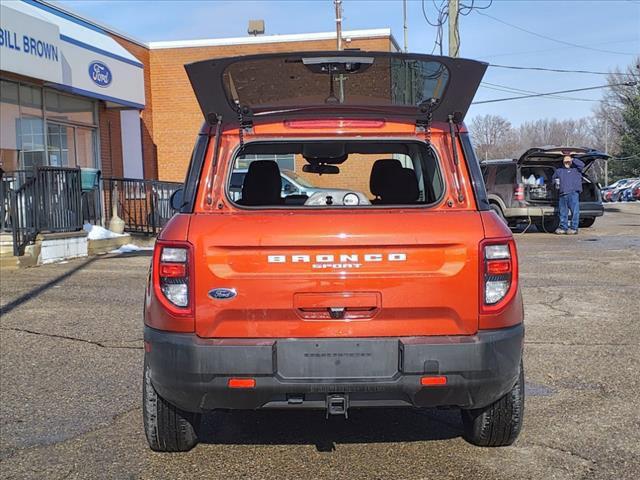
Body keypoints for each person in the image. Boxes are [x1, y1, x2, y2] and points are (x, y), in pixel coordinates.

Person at [552, 155, 585, 234]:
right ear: (563, 162)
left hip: (573, 193)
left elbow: (582, 165)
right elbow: (553, 179)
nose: (567, 163)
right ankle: (563, 227)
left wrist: (573, 159)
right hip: (562, 194)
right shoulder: (559, 171)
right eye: (565, 161)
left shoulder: (576, 170)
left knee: (575, 212)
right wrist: (555, 183)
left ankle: (574, 228)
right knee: (563, 212)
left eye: (568, 161)